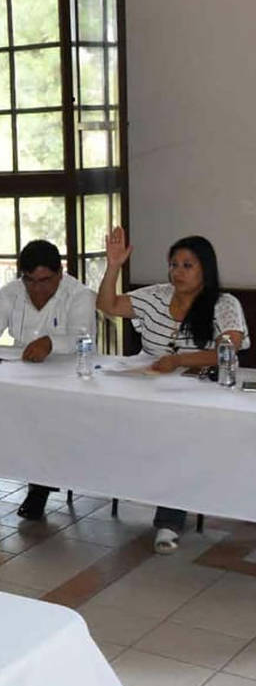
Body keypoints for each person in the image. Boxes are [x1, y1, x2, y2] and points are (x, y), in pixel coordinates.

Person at [97, 228, 249, 554]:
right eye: (173, 265)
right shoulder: (157, 295)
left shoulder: (224, 304)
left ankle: (168, 521)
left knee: (177, 438)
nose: (177, 272)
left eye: (187, 265)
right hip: (150, 389)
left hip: (200, 393)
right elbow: (107, 304)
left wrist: (179, 360)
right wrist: (113, 267)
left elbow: (228, 349)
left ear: (205, 269)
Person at [0, 239, 98, 519]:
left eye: (45, 280)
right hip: (22, 373)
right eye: (30, 281)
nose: (37, 288)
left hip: (67, 376)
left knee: (44, 414)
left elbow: (82, 338)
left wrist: (51, 342)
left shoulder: (80, 295)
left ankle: (39, 485)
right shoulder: (12, 291)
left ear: (60, 272)